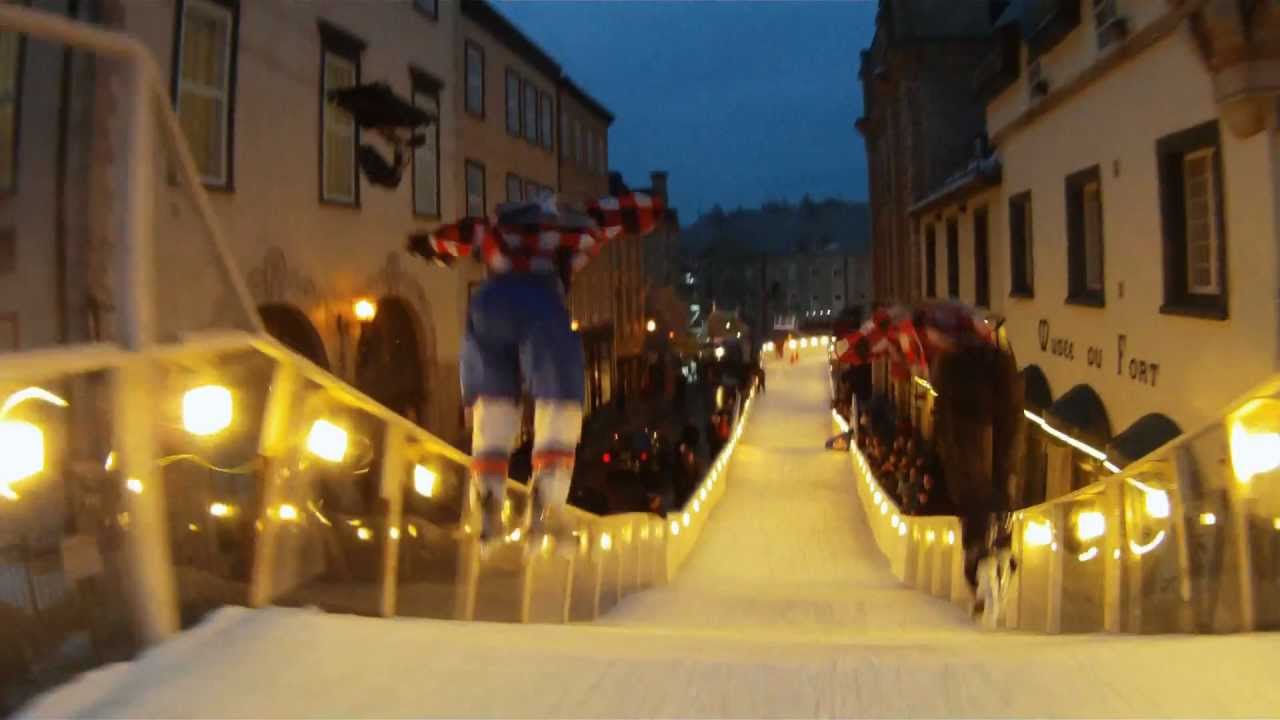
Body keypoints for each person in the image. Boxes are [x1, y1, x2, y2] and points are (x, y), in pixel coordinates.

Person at [409, 191, 664, 551]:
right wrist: (653, 210)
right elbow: (622, 212)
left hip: (489, 307)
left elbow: (461, 235)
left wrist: (430, 244)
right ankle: (545, 513)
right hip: (541, 306)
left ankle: (486, 514)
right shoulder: (572, 226)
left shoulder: (494, 228)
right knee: (559, 404)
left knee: (494, 409)